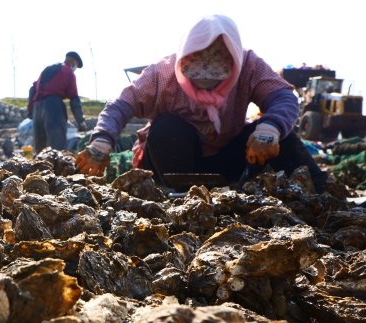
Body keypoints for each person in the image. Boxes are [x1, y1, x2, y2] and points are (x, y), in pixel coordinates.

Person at [76, 15, 328, 194]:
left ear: (234, 65)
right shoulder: (162, 74)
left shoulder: (248, 65)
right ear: (183, 62)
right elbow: (121, 104)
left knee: (276, 131)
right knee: (165, 126)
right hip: (172, 163)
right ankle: (181, 194)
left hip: (228, 158)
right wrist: (101, 142)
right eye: (196, 76)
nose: (205, 84)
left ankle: (322, 191)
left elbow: (283, 97)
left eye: (216, 77)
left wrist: (270, 128)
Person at [27, 52, 87, 153]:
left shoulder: (47, 69)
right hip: (53, 106)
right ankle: (58, 167)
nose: (75, 67)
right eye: (76, 64)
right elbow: (74, 99)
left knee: (40, 148)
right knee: (58, 147)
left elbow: (32, 89)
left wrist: (30, 110)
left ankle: (39, 167)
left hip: (37, 106)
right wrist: (81, 122)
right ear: (73, 61)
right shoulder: (68, 71)